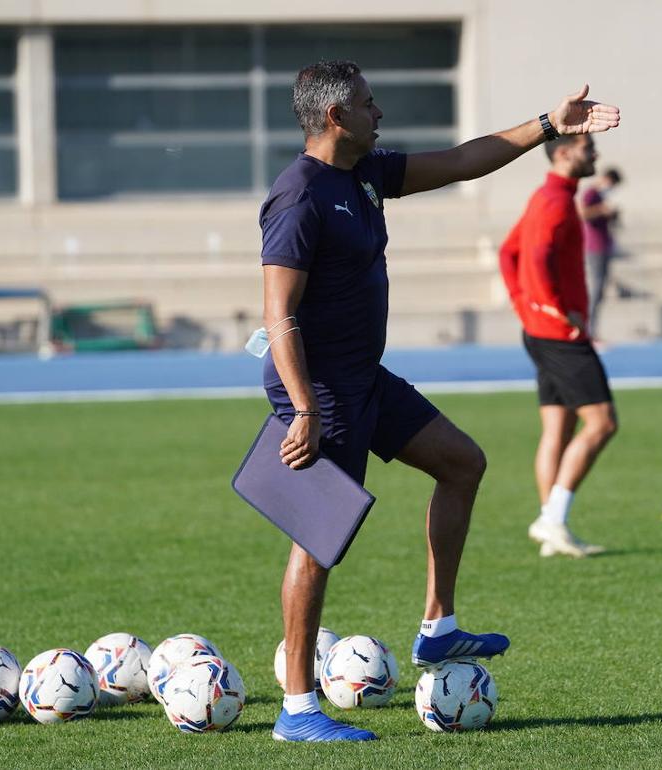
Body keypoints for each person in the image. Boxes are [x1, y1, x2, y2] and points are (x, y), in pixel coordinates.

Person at [258, 60, 619, 742]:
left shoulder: (364, 174)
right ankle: (298, 708)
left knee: (462, 462)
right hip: (322, 393)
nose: (380, 113)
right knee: (318, 543)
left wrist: (548, 124)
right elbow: (278, 314)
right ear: (336, 118)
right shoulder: (299, 195)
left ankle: (437, 629)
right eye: (369, 104)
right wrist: (304, 408)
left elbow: (460, 162)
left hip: (364, 378)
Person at [498, 134, 620, 559]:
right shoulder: (554, 201)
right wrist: (550, 311)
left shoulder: (549, 196)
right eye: (589, 148)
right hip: (558, 336)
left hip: (539, 332)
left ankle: (552, 526)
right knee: (602, 423)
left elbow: (507, 252)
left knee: (558, 430)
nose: (595, 154)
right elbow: (532, 258)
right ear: (565, 153)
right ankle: (552, 519)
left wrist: (523, 305)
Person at [580, 167, 623, 341]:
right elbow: (582, 214)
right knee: (596, 289)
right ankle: (588, 331)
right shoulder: (591, 193)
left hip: (604, 245)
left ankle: (592, 330)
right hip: (594, 247)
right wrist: (602, 210)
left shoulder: (599, 195)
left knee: (600, 290)